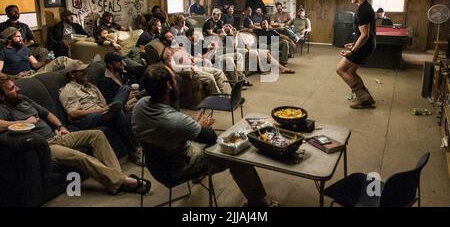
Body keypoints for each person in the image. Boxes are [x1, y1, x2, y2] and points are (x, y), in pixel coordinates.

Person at [132, 65, 279, 207]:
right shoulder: (174, 121)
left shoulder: (140, 105)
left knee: (203, 137)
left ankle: (200, 173)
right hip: (179, 168)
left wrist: (192, 126)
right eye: (174, 79)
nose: (177, 81)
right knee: (236, 154)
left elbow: (170, 131)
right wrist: (200, 126)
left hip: (156, 165)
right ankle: (258, 202)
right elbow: (210, 137)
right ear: (168, 85)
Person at [0, 76, 150, 195]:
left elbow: (47, 113)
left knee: (96, 135)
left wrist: (61, 126)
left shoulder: (23, 99)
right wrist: (24, 121)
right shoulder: (3, 107)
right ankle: (125, 181)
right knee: (81, 157)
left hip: (58, 136)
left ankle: (119, 179)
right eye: (12, 88)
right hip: (46, 146)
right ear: (2, 96)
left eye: (15, 85)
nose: (18, 88)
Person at [59, 60, 143, 165]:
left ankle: (114, 111)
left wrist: (106, 108)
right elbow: (73, 114)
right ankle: (134, 150)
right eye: (82, 71)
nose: (86, 72)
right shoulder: (68, 90)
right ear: (72, 74)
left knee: (125, 88)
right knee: (115, 112)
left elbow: (103, 103)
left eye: (85, 69)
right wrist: (102, 110)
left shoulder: (91, 87)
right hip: (86, 120)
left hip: (104, 112)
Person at [336, 0, 376, 109]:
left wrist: (352, 50)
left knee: (341, 69)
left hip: (364, 46)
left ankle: (361, 96)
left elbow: (364, 35)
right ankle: (366, 96)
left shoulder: (362, 10)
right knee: (351, 71)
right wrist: (353, 43)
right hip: (367, 45)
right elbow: (364, 33)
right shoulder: (365, 7)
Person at [0, 28, 74, 78]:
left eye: (21, 36)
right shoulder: (3, 52)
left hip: (34, 73)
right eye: (18, 37)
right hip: (21, 78)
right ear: (9, 40)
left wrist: (45, 62)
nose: (21, 38)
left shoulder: (23, 48)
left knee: (62, 59)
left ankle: (82, 69)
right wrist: (15, 77)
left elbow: (35, 65)